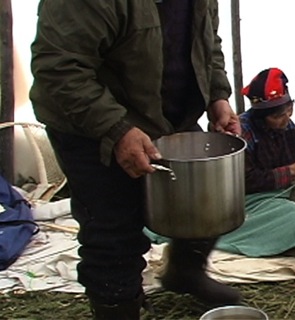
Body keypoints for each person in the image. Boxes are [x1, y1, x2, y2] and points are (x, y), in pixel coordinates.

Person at [29, 1, 241, 319]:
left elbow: (208, 44)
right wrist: (117, 129)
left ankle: (184, 273)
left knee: (202, 202)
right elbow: (59, 69)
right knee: (114, 231)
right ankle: (119, 307)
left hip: (166, 116)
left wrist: (217, 97)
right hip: (91, 127)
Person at [214, 67, 295, 257]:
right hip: (248, 201)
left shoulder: (288, 125)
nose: (285, 119)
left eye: (289, 111)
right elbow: (246, 182)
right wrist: (291, 171)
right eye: (276, 117)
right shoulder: (241, 133)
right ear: (261, 117)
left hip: (284, 191)